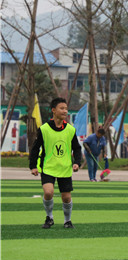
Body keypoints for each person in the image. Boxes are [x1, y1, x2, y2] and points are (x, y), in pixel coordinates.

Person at [29, 97, 82, 229]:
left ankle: (67, 221)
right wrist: (33, 166)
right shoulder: (44, 129)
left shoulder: (70, 130)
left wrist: (77, 162)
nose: (65, 111)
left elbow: (77, 148)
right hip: (48, 167)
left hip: (64, 168)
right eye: (62, 108)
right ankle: (49, 218)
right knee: (48, 192)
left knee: (66, 197)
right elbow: (35, 148)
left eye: (66, 108)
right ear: (53, 110)